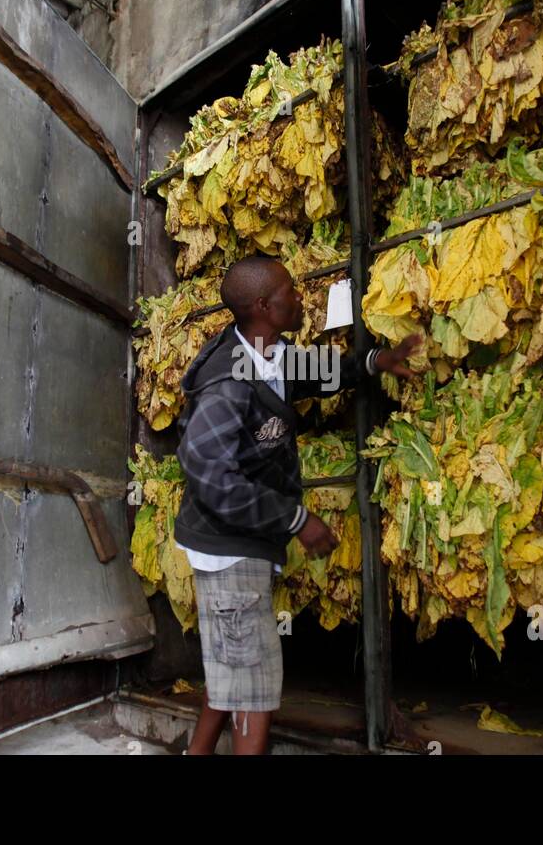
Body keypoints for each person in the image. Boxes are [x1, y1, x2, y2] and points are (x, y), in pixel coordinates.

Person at [173, 256, 420, 755]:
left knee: (231, 673)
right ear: (264, 305)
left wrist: (373, 363)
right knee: (255, 691)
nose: (301, 294)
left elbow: (307, 371)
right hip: (230, 551)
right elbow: (210, 476)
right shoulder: (227, 384)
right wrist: (296, 518)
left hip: (242, 543)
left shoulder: (265, 352)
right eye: (290, 289)